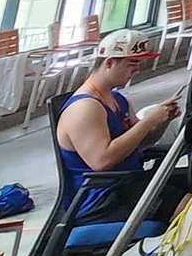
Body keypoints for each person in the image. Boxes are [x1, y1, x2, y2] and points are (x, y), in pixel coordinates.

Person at [55, 28, 181, 218]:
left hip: (127, 182)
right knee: (191, 206)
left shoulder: (117, 99)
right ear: (109, 63)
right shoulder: (84, 107)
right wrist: (148, 121)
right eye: (132, 63)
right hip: (102, 198)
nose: (137, 70)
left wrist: (161, 121)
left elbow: (139, 143)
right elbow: (102, 160)